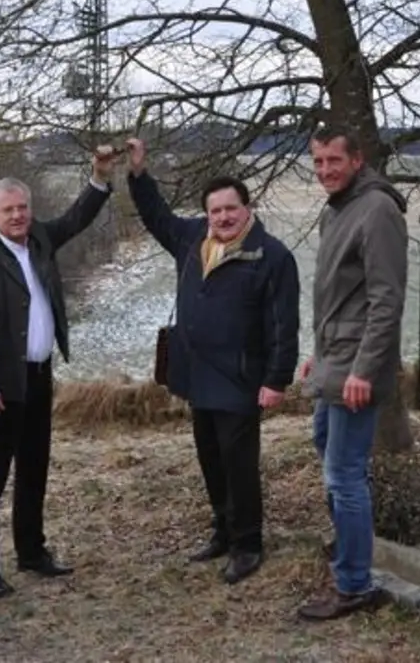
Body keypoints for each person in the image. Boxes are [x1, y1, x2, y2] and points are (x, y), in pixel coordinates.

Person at [124, 138, 300, 585]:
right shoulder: (190, 239)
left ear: (247, 208)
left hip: (241, 379)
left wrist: (277, 379)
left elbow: (283, 324)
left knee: (239, 464)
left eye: (230, 209)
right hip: (196, 375)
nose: (222, 217)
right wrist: (139, 175)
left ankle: (248, 543)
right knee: (210, 458)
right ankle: (222, 530)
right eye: (214, 210)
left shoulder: (272, 256)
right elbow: (156, 216)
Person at [0, 148, 117, 597]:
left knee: (34, 469)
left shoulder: (40, 239)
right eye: (8, 210)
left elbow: (74, 219)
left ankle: (32, 552)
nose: (17, 216)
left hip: (39, 376)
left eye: (23, 207)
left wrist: (99, 178)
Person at [296, 125, 408, 621]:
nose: (324, 171)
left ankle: (355, 584)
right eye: (317, 162)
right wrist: (318, 354)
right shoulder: (336, 210)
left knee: (344, 474)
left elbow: (386, 300)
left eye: (333, 162)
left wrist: (364, 369)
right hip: (334, 359)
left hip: (357, 368)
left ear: (356, 160)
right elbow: (339, 297)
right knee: (329, 450)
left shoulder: (378, 210)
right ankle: (349, 547)